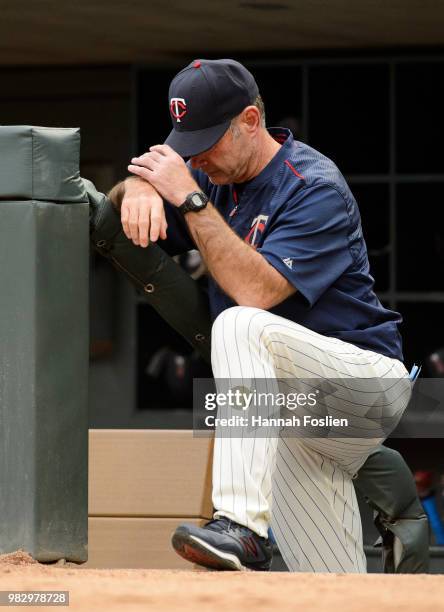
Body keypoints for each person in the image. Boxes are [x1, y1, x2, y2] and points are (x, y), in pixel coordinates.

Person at [89, 58, 428, 573]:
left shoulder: (313, 184)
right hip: (292, 423)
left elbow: (254, 291)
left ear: (250, 120)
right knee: (327, 591)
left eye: (207, 142)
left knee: (239, 322)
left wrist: (190, 199)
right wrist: (136, 188)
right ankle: (257, 541)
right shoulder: (214, 181)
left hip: (364, 385)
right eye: (188, 146)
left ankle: (240, 526)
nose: (197, 158)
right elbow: (119, 202)